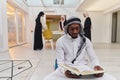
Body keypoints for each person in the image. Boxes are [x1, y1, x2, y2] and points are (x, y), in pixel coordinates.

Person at [44, 17, 116, 80]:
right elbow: (60, 61)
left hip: (83, 68)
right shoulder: (61, 41)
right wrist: (65, 71)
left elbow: (93, 57)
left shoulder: (86, 41)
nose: (75, 31)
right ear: (67, 29)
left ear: (80, 28)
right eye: (72, 29)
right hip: (66, 69)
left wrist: (96, 66)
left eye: (77, 28)